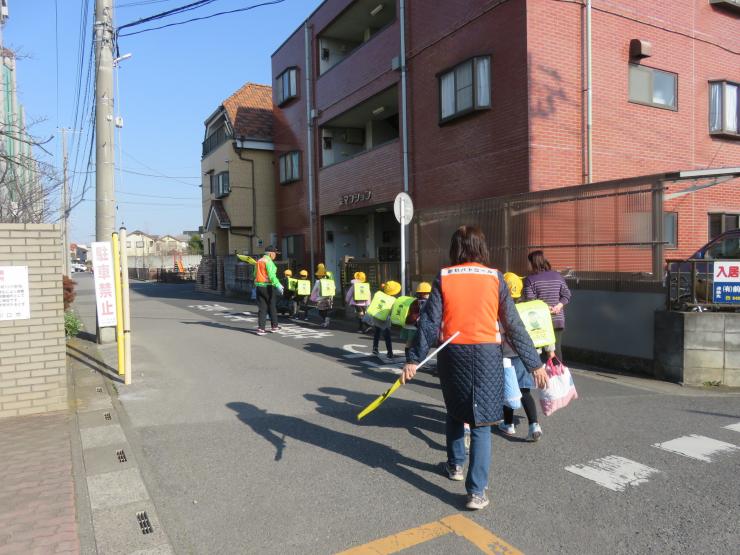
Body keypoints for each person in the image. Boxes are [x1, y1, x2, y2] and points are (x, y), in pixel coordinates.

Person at [402, 225, 547, 510]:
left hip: (452, 354)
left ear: (456, 248)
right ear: (481, 248)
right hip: (486, 356)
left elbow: (429, 324)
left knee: (456, 412)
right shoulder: (495, 278)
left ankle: (455, 466)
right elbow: (513, 325)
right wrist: (534, 363)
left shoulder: (444, 276)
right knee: (482, 421)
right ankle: (476, 492)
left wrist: (413, 359)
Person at [498, 272, 542, 442]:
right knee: (524, 391)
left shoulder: (499, 311)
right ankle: (534, 425)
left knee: (506, 391)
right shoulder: (526, 309)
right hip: (523, 356)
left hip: (504, 357)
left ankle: (508, 424)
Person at [523, 250, 572, 362]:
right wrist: (559, 306)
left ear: (532, 263)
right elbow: (566, 294)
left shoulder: (530, 280)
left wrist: (545, 308)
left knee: (539, 352)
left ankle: (542, 378)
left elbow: (530, 301)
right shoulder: (557, 276)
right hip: (557, 319)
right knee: (556, 350)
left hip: (538, 322)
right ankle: (557, 376)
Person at [255, 246, 284, 336]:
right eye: (275, 253)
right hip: (268, 287)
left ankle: (261, 329)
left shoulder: (258, 261)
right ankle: (274, 326)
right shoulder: (269, 262)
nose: (275, 255)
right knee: (272, 306)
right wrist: (279, 285)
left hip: (259, 286)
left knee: (262, 308)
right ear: (271, 254)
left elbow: (254, 274)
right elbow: (272, 276)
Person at [402, 282, 432, 362]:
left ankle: (408, 359)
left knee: (409, 342)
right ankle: (411, 360)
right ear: (425, 293)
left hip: (407, 324)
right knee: (416, 343)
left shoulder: (412, 300)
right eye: (428, 293)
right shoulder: (425, 302)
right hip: (415, 326)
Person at [371, 281, 400, 360]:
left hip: (376, 316)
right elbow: (392, 311)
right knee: (387, 336)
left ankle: (375, 348)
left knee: (377, 332)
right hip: (385, 319)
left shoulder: (379, 295)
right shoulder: (393, 299)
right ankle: (390, 352)